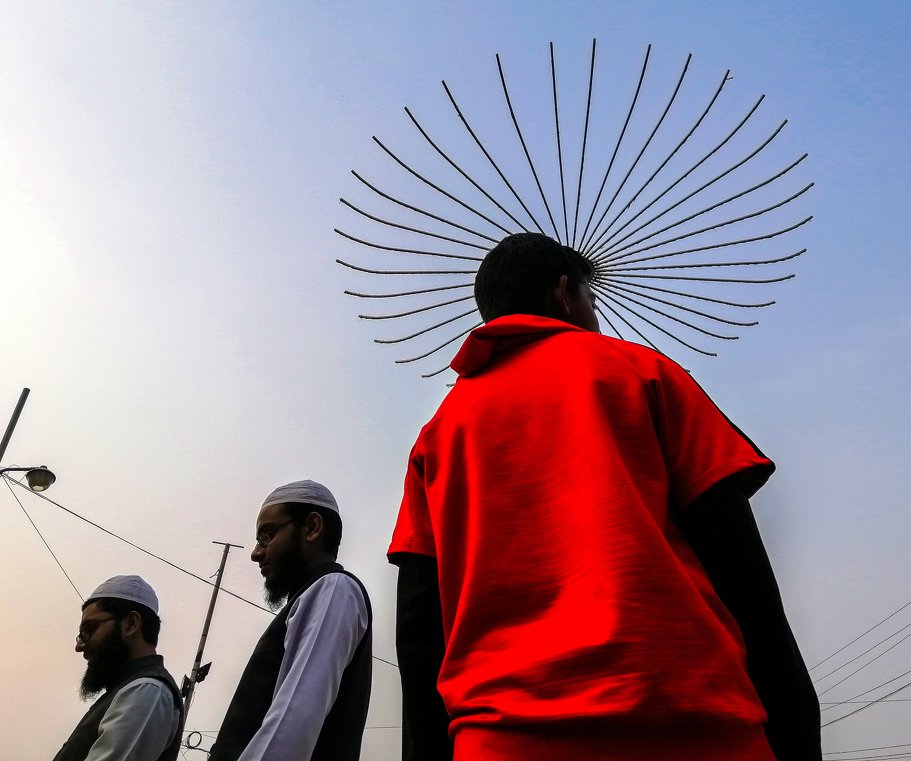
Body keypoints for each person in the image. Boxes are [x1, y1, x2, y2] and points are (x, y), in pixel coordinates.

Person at [388, 232, 821, 761]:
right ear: (564, 294)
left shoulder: (438, 437)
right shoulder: (642, 371)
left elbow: (418, 628)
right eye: (592, 297)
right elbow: (741, 573)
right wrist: (797, 730)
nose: (595, 311)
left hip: (501, 741)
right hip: (689, 726)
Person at [210, 480, 372, 761]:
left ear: (312, 528)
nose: (256, 552)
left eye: (267, 535)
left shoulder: (333, 589)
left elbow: (293, 718)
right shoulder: (313, 595)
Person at [53, 575, 183, 761]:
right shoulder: (129, 689)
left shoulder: (147, 690)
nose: (80, 646)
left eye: (89, 629)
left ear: (131, 624)